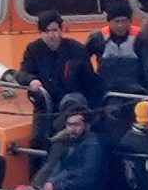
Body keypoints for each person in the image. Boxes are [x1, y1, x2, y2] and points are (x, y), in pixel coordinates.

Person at [14, 97, 111, 190]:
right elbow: (56, 167)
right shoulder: (67, 142)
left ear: (87, 125)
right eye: (69, 125)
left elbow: (87, 178)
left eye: (76, 125)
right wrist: (45, 183)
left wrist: (57, 185)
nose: (72, 129)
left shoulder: (94, 145)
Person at [17, 10, 93, 149]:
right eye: (46, 31)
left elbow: (89, 79)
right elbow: (23, 72)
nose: (51, 35)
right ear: (40, 32)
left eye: (54, 30)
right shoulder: (34, 49)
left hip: (71, 107)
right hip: (44, 106)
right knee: (38, 140)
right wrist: (31, 80)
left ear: (61, 30)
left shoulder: (77, 49)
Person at [85, 0, 148, 98]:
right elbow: (81, 59)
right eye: (116, 21)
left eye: (124, 21)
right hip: (106, 95)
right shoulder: (98, 39)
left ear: (130, 21)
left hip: (136, 94)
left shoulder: (141, 39)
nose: (120, 26)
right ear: (109, 21)